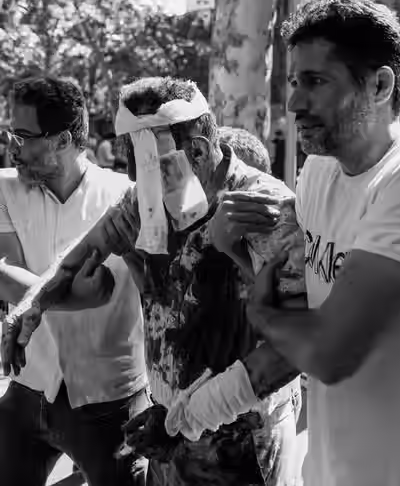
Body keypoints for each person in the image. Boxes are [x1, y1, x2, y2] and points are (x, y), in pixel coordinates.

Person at [2, 77, 305, 486]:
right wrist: (33, 304)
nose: (131, 174)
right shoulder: (146, 199)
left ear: (197, 151)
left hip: (244, 444)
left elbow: (293, 347)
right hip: (166, 435)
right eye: (128, 157)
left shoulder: (265, 209)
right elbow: (80, 255)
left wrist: (187, 418)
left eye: (146, 163)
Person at [245, 0, 400, 486]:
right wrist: (236, 249)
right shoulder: (318, 171)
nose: (294, 103)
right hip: (325, 470)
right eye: (294, 82)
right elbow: (302, 310)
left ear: (380, 85)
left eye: (316, 82)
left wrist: (259, 313)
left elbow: (328, 352)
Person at [0, 76, 149, 486]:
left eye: (23, 136)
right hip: (27, 387)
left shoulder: (125, 198)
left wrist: (46, 295)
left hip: (110, 401)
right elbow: (6, 278)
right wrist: (79, 297)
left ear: (62, 139)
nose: (12, 145)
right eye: (10, 133)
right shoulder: (4, 189)